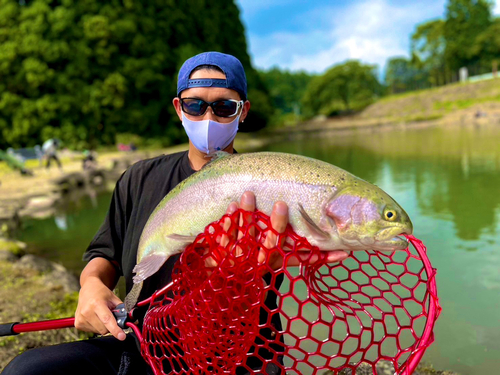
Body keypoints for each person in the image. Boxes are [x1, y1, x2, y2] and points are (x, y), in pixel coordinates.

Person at [2, 52, 348, 375]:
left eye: (224, 107)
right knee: (27, 369)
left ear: (243, 111)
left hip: (242, 350)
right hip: (143, 343)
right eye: (195, 105)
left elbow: (285, 261)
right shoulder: (139, 178)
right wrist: (91, 285)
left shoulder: (272, 186)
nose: (208, 118)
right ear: (178, 108)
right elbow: (104, 253)